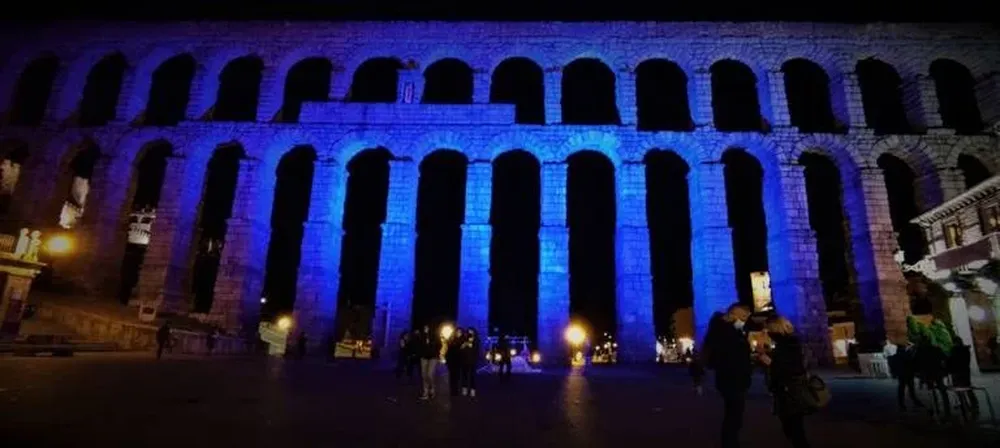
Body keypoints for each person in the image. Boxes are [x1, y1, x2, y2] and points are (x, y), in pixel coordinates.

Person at [703, 304, 753, 448]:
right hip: (732, 379)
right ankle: (730, 443)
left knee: (734, 416)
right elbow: (727, 355)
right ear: (734, 314)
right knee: (734, 417)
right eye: (743, 317)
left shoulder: (730, 330)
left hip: (735, 379)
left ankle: (731, 442)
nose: (744, 320)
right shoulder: (724, 331)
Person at [758, 316, 811, 448]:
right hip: (786, 389)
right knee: (792, 426)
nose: (766, 332)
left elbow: (790, 366)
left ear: (774, 328)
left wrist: (770, 362)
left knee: (793, 427)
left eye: (767, 329)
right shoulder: (787, 342)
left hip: (789, 390)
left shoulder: (788, 344)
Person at [947, 334, 980, 418]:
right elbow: (967, 361)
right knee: (968, 387)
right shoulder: (965, 349)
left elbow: (951, 361)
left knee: (959, 389)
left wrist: (949, 368)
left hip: (956, 372)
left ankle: (964, 404)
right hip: (965, 371)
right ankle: (974, 404)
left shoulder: (954, 350)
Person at [889, 340, 924, 411]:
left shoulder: (897, 355)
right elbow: (910, 360)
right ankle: (911, 402)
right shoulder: (905, 354)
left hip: (903, 374)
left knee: (902, 389)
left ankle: (903, 404)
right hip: (907, 373)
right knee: (909, 388)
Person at [417, 325, 442, 400]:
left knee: (430, 374)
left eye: (427, 328)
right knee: (424, 375)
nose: (426, 329)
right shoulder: (422, 336)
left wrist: (434, 350)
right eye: (424, 328)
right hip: (424, 357)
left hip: (433, 357)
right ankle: (425, 393)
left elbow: (439, 345)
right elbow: (418, 345)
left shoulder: (435, 336)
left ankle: (432, 388)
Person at [460, 327, 481, 397]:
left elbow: (477, 350)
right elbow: (461, 349)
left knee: (472, 376)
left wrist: (471, 344)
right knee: (464, 376)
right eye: (469, 332)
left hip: (472, 361)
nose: (470, 333)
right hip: (464, 361)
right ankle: (464, 389)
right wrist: (464, 344)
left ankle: (472, 390)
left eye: (471, 332)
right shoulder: (464, 339)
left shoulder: (476, 340)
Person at [446, 328, 465, 396]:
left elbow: (462, 351)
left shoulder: (463, 340)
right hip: (451, 361)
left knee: (457, 376)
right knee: (452, 376)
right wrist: (447, 360)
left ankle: (456, 390)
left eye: (460, 332)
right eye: (457, 332)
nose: (458, 333)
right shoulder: (452, 340)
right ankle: (452, 390)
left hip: (459, 361)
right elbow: (448, 351)